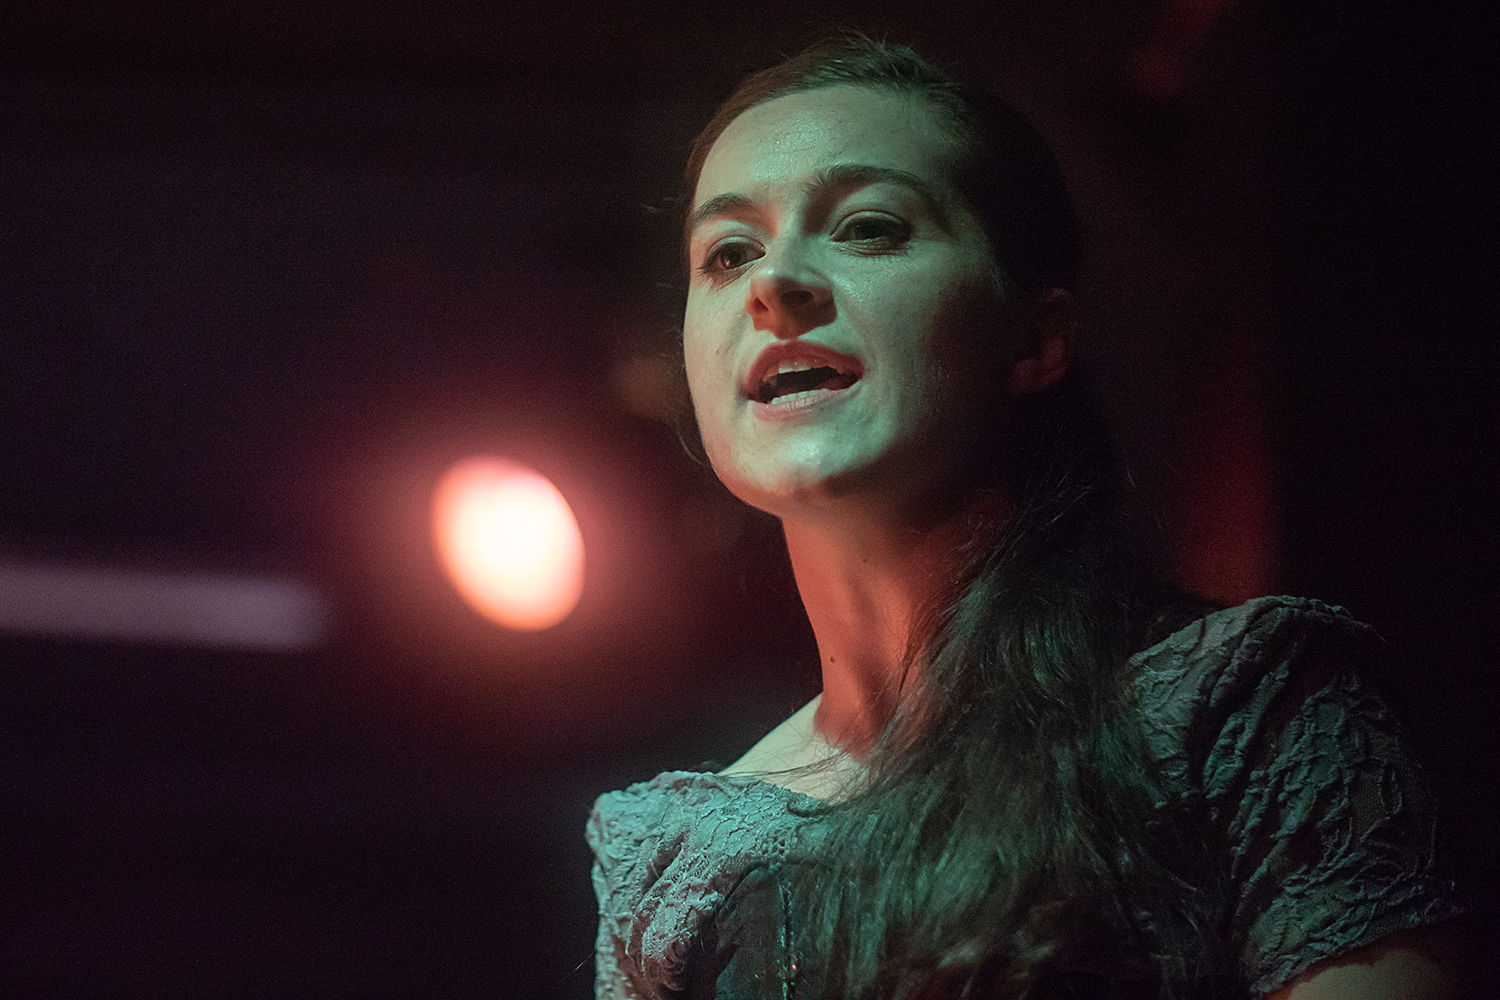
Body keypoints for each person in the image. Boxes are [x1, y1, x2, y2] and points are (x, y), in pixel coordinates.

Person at [587, 37, 1476, 999]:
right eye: (728, 253)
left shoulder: (1238, 705)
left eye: (870, 228)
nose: (773, 284)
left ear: (1039, 338)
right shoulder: (671, 858)